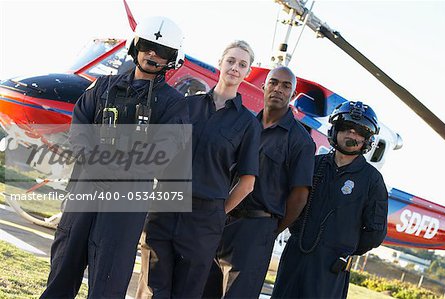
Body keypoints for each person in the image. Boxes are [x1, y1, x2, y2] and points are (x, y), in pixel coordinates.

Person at [41, 16, 188, 298]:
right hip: (84, 193)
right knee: (61, 273)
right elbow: (79, 130)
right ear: (135, 46)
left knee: (107, 283)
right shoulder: (101, 88)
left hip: (125, 205)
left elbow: (164, 150)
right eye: (147, 45)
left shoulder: (174, 104)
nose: (153, 55)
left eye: (163, 51)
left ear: (173, 59)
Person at [136, 40, 261, 298]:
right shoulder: (186, 106)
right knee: (152, 288)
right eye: (231, 61)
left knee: (187, 292)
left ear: (247, 72)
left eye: (242, 64)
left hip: (205, 219)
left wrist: (216, 212)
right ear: (220, 62)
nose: (235, 68)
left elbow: (247, 182)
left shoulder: (248, 123)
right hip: (165, 206)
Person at [202, 66, 316, 298]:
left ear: (293, 95)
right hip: (221, 222)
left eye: (286, 86)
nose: (278, 89)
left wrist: (271, 229)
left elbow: (300, 196)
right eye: (273, 83)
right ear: (264, 87)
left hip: (256, 229)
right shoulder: (244, 125)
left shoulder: (300, 140)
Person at [271, 100, 389, 298]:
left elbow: (375, 233)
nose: (352, 134)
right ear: (335, 130)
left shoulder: (372, 180)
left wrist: (342, 249)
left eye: (360, 131)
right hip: (295, 255)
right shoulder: (312, 164)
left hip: (331, 267)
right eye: (345, 128)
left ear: (367, 139)